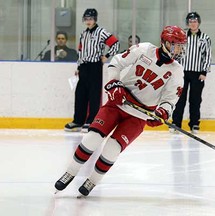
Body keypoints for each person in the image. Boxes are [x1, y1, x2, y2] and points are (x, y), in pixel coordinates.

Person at [54, 25, 187, 197]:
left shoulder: (177, 71)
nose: (180, 49)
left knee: (112, 148)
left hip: (139, 115)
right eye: (176, 45)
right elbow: (116, 62)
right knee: (92, 138)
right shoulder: (144, 49)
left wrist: (162, 112)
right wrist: (114, 83)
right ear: (165, 43)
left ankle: (92, 180)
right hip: (118, 103)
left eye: (181, 46)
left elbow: (170, 99)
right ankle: (70, 172)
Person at [64, 8, 119, 133]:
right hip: (83, 66)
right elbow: (80, 51)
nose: (88, 21)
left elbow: (115, 43)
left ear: (95, 19)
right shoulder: (83, 34)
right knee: (80, 94)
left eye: (91, 19)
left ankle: (92, 120)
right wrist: (78, 67)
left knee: (94, 94)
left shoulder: (101, 32)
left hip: (95, 66)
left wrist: (107, 56)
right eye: (86, 19)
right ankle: (78, 121)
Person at [171, 11, 212, 134]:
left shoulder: (205, 38)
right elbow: (174, 52)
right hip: (182, 72)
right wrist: (174, 67)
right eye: (190, 21)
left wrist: (204, 72)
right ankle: (176, 123)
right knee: (179, 99)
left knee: (195, 99)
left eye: (195, 21)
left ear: (198, 22)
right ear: (187, 23)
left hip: (197, 73)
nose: (193, 24)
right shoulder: (181, 36)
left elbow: (208, 56)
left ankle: (194, 124)